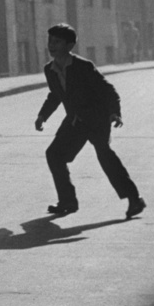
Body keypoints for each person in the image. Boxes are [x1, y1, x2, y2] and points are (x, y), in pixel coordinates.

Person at [34, 23, 145, 220]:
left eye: (57, 42)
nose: (51, 45)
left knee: (105, 156)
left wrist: (114, 113)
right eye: (50, 41)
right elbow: (55, 95)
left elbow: (107, 90)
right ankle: (67, 201)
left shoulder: (83, 66)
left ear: (69, 46)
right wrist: (43, 115)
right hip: (75, 120)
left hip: (96, 118)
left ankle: (134, 199)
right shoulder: (49, 69)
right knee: (54, 154)